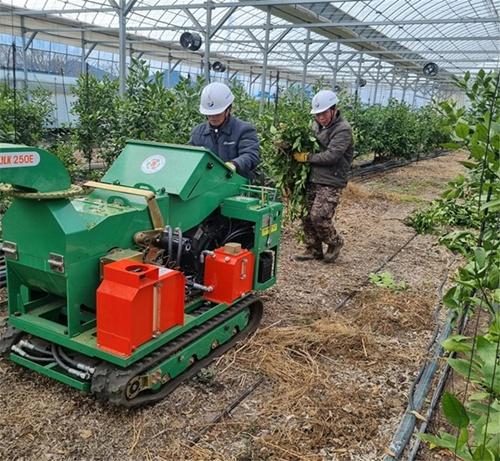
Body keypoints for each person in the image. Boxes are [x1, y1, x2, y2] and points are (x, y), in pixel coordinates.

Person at [292, 90, 354, 263]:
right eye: (318, 114)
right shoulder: (316, 126)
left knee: (319, 216)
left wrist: (307, 158)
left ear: (334, 109)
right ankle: (313, 249)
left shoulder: (343, 129)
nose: (321, 118)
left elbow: (332, 155)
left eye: (324, 113)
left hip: (331, 180)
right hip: (314, 178)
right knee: (306, 215)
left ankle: (335, 242)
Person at [189, 82, 260, 179]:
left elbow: (251, 155)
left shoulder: (244, 130)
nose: (213, 117)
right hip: (206, 183)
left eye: (217, 114)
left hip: (235, 183)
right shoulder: (198, 132)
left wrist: (234, 164)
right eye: (209, 114)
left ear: (228, 109)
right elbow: (190, 155)